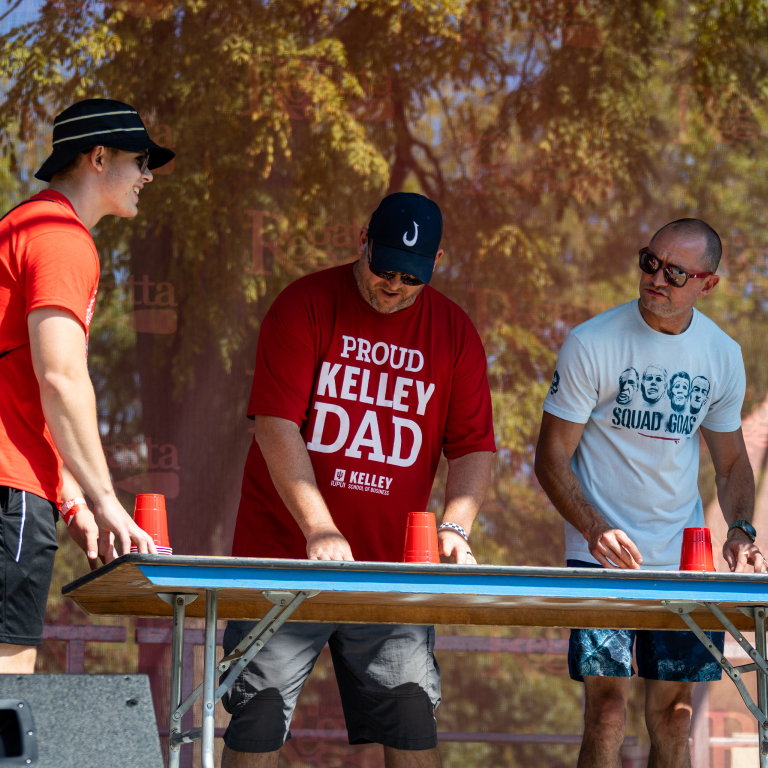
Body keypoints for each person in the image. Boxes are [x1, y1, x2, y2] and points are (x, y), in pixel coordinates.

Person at [223, 192, 496, 767]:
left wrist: (455, 527)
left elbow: (473, 446)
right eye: (383, 268)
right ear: (362, 241)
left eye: (411, 277)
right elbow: (275, 426)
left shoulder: (454, 331)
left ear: (437, 262)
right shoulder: (305, 304)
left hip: (390, 571)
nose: (393, 286)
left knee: (411, 714)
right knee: (258, 715)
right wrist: (320, 529)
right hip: (284, 560)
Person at [534, 218, 766, 768]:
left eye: (676, 272)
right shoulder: (591, 342)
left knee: (673, 717)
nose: (656, 278)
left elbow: (732, 462)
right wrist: (594, 529)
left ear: (706, 285)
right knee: (607, 712)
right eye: (649, 262)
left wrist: (740, 528)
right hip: (599, 557)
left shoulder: (721, 354)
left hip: (682, 564)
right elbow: (549, 458)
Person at [0, 98, 175, 673]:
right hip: (9, 493)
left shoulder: (24, 226)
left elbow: (22, 382)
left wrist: (72, 499)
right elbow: (59, 376)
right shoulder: (61, 237)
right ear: (98, 158)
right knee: (6, 691)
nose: (148, 176)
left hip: (19, 482)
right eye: (140, 159)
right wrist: (106, 501)